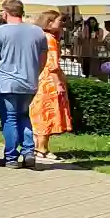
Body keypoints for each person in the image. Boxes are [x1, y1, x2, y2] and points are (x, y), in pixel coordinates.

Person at [0, 0, 50, 166]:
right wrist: (35, 74)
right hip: (29, 82)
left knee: (10, 119)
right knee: (24, 116)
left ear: (5, 13)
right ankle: (28, 152)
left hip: (7, 83)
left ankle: (11, 157)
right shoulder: (38, 32)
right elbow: (43, 59)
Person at [28, 10, 74, 165]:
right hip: (49, 81)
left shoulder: (38, 36)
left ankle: (36, 146)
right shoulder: (50, 39)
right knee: (48, 113)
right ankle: (42, 149)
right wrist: (58, 83)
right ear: (50, 22)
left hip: (39, 78)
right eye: (60, 21)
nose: (62, 25)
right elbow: (52, 64)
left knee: (38, 112)